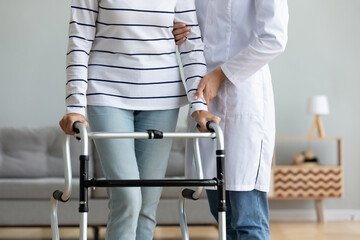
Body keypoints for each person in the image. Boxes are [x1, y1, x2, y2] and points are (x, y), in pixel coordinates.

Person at [59, 1, 220, 240]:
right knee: (128, 197)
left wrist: (199, 107)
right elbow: (80, 40)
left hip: (161, 99)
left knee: (147, 204)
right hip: (106, 94)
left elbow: (191, 46)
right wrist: (75, 106)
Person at [173, 0, 289, 239]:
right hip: (204, 98)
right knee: (223, 218)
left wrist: (221, 74)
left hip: (244, 98)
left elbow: (274, 38)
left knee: (248, 220)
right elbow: (190, 29)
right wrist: (176, 32)